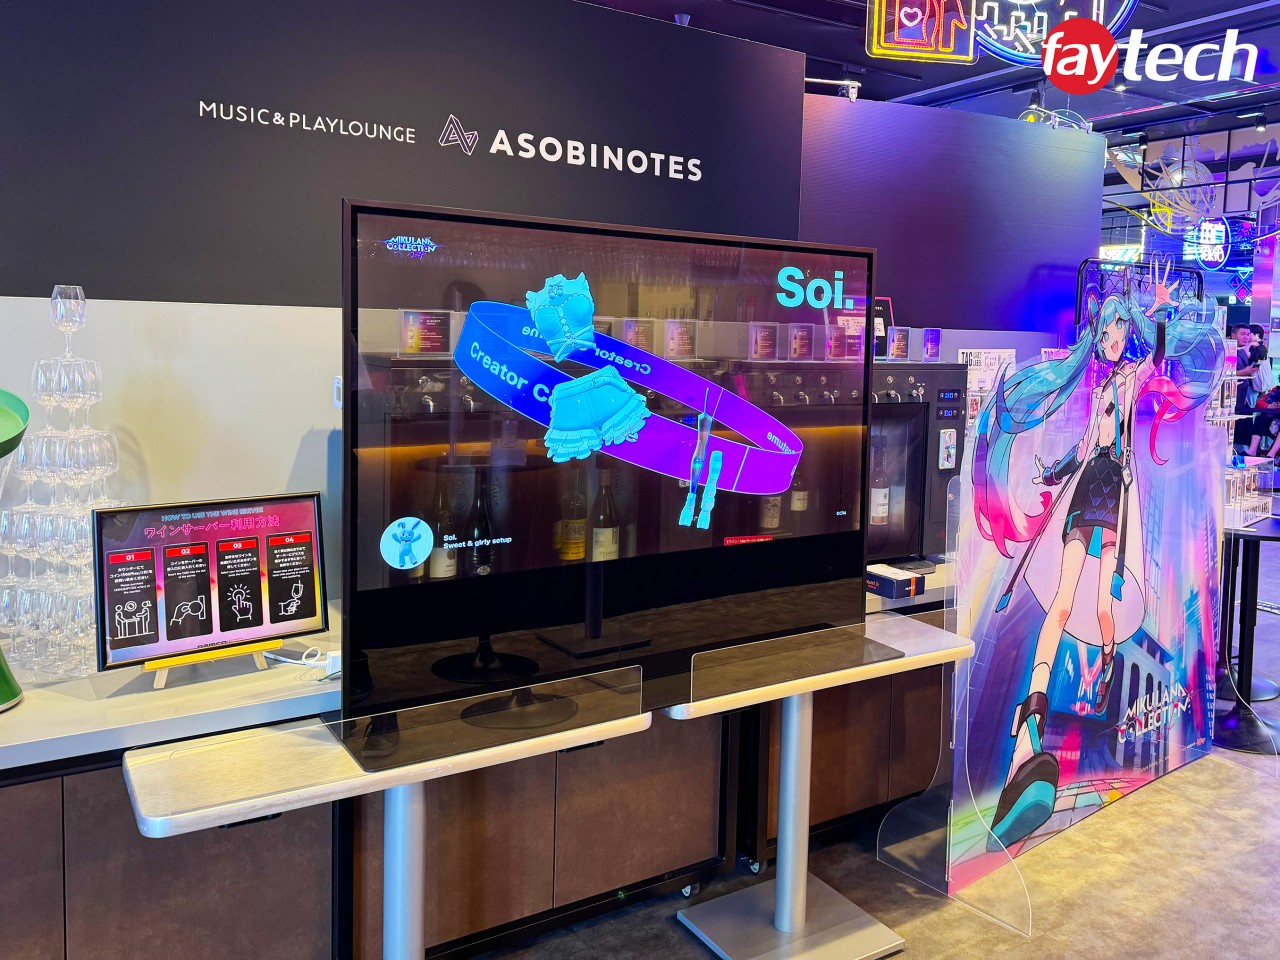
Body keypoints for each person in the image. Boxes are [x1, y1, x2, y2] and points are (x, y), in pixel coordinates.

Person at [972, 259, 1223, 848]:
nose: (1109, 337)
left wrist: (1153, 313)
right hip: (1088, 486)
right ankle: (1030, 728)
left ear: (1125, 331)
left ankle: (1104, 674)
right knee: (1062, 604)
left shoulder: (1132, 376)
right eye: (1104, 329)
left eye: (1116, 328)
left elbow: (1157, 358)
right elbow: (1086, 446)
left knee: (1104, 608)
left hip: (1114, 493)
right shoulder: (1097, 386)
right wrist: (1051, 470)